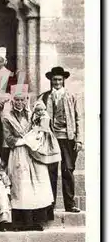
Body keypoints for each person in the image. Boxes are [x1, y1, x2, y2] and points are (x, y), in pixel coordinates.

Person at [2, 85, 54, 231]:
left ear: (26, 100)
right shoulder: (7, 117)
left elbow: (40, 128)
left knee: (36, 183)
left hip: (33, 151)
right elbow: (8, 137)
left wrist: (36, 137)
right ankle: (21, 221)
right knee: (21, 184)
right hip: (19, 151)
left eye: (22, 100)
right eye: (16, 100)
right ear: (12, 101)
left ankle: (35, 219)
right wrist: (23, 141)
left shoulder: (32, 113)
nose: (19, 103)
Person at [39, 66, 83, 213]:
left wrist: (79, 140)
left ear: (63, 80)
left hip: (68, 138)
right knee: (50, 171)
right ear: (51, 81)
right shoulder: (44, 97)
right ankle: (49, 205)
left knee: (68, 170)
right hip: (51, 138)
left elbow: (78, 118)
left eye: (59, 79)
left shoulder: (71, 96)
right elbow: (37, 117)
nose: (57, 82)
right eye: (54, 80)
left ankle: (69, 204)